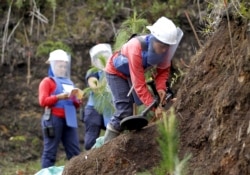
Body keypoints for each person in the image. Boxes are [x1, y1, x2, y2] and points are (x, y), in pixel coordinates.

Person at [103, 16, 183, 143]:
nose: (164, 50)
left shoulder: (164, 49)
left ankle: (128, 140)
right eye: (161, 46)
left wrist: (161, 88)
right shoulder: (136, 48)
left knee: (140, 106)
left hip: (131, 73)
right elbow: (139, 84)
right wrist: (154, 108)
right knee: (124, 110)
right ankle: (106, 146)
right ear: (153, 39)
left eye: (167, 47)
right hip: (116, 73)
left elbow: (163, 71)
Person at [38, 49, 81, 168]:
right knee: (50, 152)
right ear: (52, 66)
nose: (62, 69)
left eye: (64, 66)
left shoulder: (69, 82)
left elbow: (76, 104)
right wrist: (59, 97)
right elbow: (43, 101)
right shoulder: (47, 82)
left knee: (75, 153)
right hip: (53, 119)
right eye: (59, 66)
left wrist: (77, 99)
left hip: (70, 119)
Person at [82, 43, 113, 150]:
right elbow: (94, 87)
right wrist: (104, 78)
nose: (103, 59)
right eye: (100, 57)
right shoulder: (93, 72)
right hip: (94, 109)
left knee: (113, 137)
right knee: (90, 141)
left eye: (105, 55)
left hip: (110, 107)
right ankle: (88, 161)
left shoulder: (114, 69)